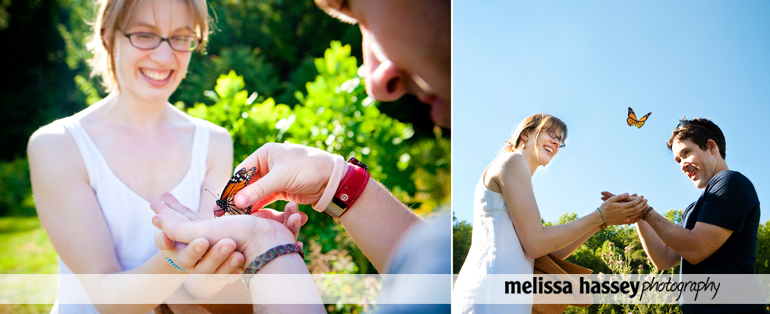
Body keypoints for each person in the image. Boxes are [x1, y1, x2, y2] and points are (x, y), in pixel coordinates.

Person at [151, 0, 452, 312]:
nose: (375, 81)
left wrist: (266, 247)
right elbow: (443, 276)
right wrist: (333, 180)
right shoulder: (445, 254)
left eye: (362, 16)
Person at [27, 0, 246, 312]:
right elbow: (108, 300)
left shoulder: (214, 142)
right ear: (108, 36)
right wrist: (180, 258)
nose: (164, 56)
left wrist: (242, 250)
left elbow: (200, 286)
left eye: (181, 38)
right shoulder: (56, 146)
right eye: (145, 34)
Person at [451, 113, 649, 313]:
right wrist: (600, 215)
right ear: (525, 134)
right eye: (551, 132)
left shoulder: (518, 173)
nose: (556, 142)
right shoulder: (513, 161)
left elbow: (547, 252)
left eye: (560, 140)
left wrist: (604, 222)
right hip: (491, 290)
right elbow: (536, 244)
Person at [602, 117, 767, 314]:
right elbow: (664, 259)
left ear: (711, 146)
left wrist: (647, 212)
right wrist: (639, 215)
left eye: (686, 153)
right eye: (678, 160)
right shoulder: (692, 209)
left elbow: (695, 250)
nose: (682, 165)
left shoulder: (730, 182)